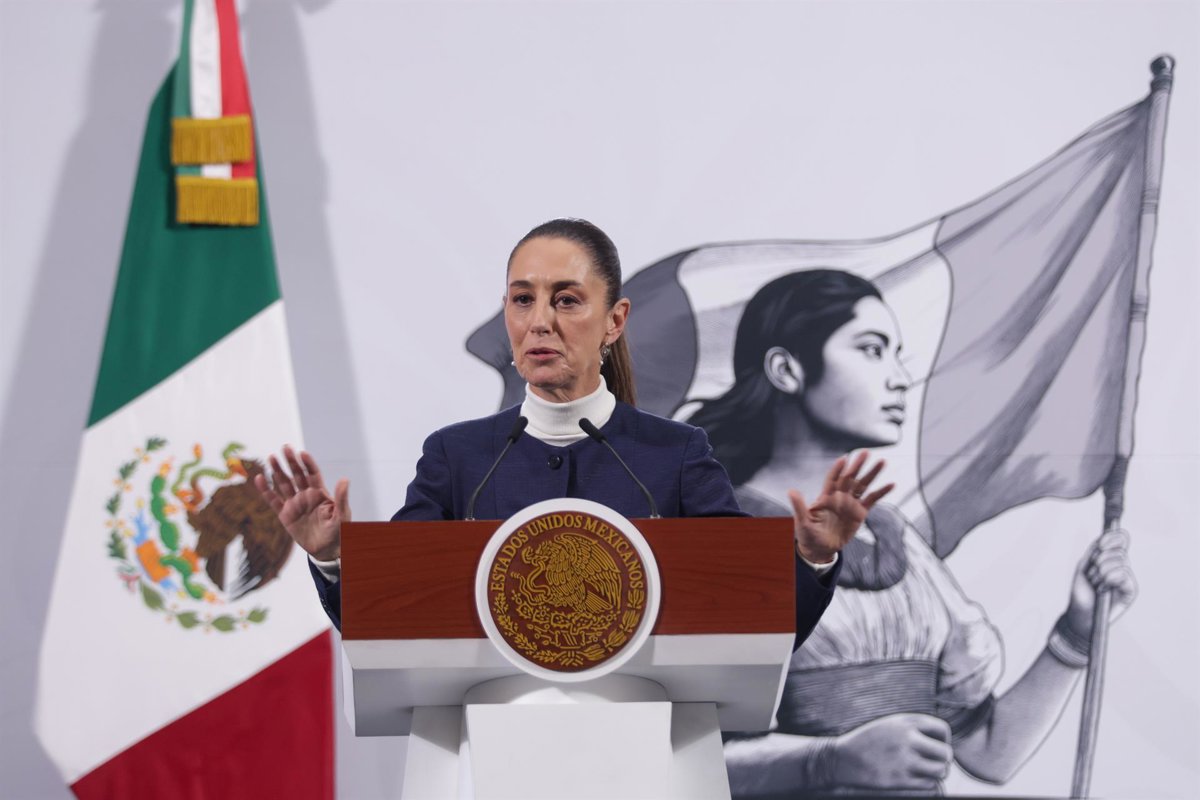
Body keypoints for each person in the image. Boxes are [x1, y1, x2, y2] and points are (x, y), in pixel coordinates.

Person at [255, 219, 891, 644]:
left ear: (614, 321)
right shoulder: (457, 457)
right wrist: (333, 558)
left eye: (566, 300)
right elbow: (391, 620)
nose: (539, 322)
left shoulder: (674, 455)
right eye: (522, 299)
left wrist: (813, 557)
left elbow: (756, 619)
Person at [688, 269, 1137, 797]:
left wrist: (1078, 630)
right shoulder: (720, 532)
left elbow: (989, 752)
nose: (900, 378)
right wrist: (828, 761)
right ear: (787, 370)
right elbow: (678, 761)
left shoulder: (895, 540)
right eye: (871, 350)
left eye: (897, 354)